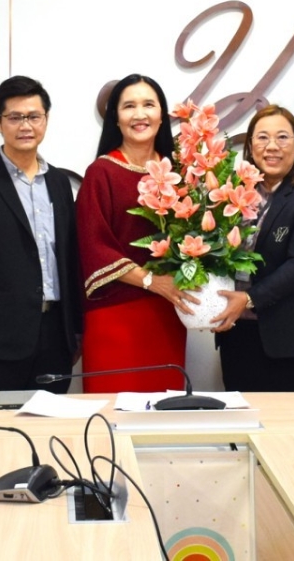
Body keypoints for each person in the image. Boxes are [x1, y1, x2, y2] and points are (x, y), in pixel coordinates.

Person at [0, 77, 82, 394]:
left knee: (51, 422)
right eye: (15, 117)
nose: (25, 126)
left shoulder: (59, 183)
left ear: (46, 119)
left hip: (56, 335)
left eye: (34, 116)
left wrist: (75, 330)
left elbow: (69, 260)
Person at [77, 74, 192, 394]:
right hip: (115, 315)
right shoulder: (101, 173)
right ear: (115, 117)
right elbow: (94, 246)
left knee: (163, 409)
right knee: (112, 410)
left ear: (162, 114)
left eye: (148, 105)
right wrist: (152, 281)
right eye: (129, 106)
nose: (140, 114)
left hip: (167, 314)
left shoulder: (180, 174)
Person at [211, 106, 294, 392]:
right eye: (262, 138)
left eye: (282, 137)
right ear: (250, 146)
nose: (272, 146)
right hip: (239, 338)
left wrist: (248, 298)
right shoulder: (233, 192)